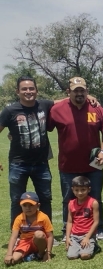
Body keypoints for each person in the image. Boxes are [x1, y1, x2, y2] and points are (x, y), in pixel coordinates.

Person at [48, 76, 103, 240]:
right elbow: (44, 125)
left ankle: (99, 228)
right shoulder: (57, 109)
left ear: (87, 91)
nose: (79, 94)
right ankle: (67, 229)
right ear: (69, 92)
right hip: (68, 166)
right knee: (68, 199)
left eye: (82, 90)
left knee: (95, 197)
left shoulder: (97, 109)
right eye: (75, 91)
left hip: (93, 164)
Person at [0, 76, 54, 224]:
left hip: (41, 164)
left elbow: (66, 101)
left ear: (36, 90)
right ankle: (17, 234)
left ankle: (46, 232)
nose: (28, 91)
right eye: (24, 89)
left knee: (45, 198)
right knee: (17, 200)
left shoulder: (45, 105)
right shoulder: (10, 110)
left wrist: (89, 96)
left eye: (31, 88)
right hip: (18, 164)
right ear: (18, 91)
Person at [5, 192, 53, 266]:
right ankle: (32, 255)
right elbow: (13, 237)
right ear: (21, 206)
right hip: (24, 242)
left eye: (31, 205)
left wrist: (48, 252)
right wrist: (9, 254)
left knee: (39, 234)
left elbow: (50, 236)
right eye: (25, 205)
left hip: (39, 242)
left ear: (38, 205)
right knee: (12, 261)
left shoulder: (43, 217)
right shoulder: (19, 218)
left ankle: (40, 253)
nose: (28, 208)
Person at [65, 176, 100, 260]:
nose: (80, 193)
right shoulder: (71, 203)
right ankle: (80, 246)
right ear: (72, 190)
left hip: (88, 234)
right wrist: (68, 238)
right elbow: (69, 222)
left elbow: (96, 222)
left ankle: (94, 246)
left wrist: (87, 237)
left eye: (83, 190)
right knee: (71, 256)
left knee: (84, 256)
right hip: (75, 236)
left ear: (89, 189)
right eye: (76, 190)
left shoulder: (93, 202)